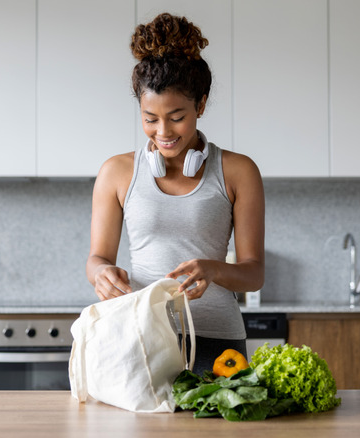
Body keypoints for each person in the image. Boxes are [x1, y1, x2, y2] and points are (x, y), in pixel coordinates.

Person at [86, 13, 265, 374]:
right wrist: (101, 274)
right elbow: (97, 259)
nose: (163, 131)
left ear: (201, 105)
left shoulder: (238, 171)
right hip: (141, 335)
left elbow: (254, 273)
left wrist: (213, 269)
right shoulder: (116, 172)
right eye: (150, 118)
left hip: (217, 341)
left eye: (177, 116)